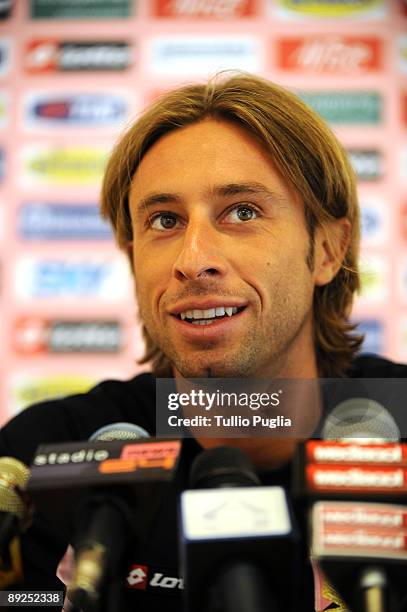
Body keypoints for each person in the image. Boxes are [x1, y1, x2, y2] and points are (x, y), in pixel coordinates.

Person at [0, 72, 406, 612]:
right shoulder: (45, 454)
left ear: (328, 250)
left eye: (242, 212)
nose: (192, 260)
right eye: (164, 220)